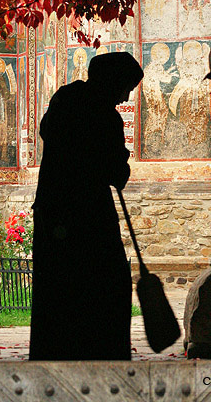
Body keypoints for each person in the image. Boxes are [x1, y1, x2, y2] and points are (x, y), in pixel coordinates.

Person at [29, 51, 144, 361]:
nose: (125, 97)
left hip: (52, 210)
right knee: (105, 288)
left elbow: (46, 132)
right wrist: (122, 159)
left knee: (56, 290)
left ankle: (54, 354)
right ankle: (102, 356)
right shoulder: (106, 115)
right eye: (126, 89)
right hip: (89, 217)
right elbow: (116, 176)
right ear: (114, 82)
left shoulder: (65, 97)